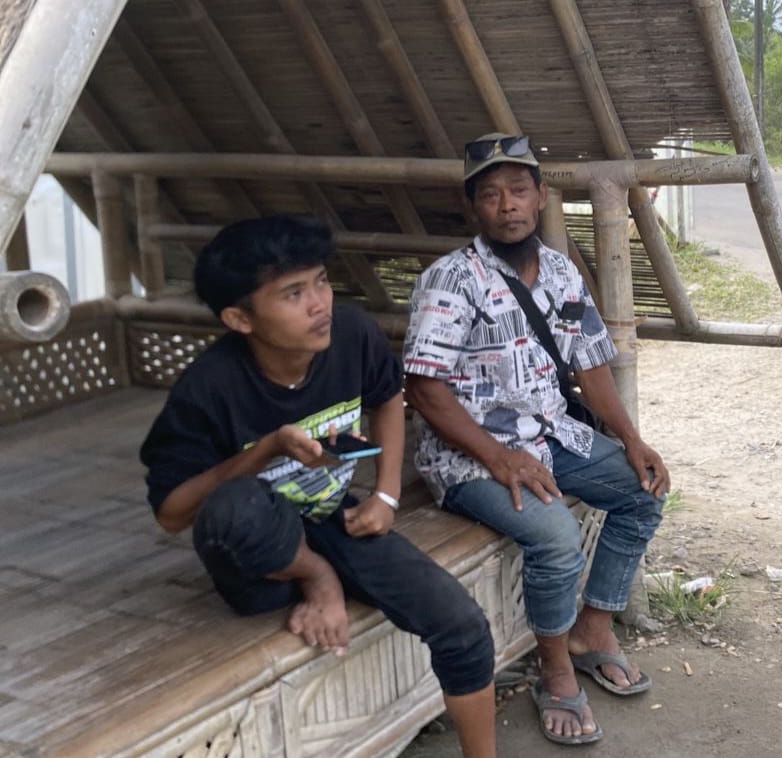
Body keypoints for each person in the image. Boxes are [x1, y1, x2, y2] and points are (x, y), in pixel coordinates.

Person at [139, 215, 497, 758]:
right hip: (258, 563)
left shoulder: (351, 334)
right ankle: (316, 576)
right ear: (239, 318)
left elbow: (387, 397)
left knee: (462, 624)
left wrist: (385, 496)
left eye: (322, 282)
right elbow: (171, 513)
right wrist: (267, 449)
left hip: (335, 517)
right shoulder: (208, 388)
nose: (319, 304)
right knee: (234, 504)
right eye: (294, 293)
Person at [403, 133, 668, 746]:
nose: (508, 206)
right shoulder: (451, 280)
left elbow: (591, 362)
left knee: (644, 490)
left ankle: (591, 630)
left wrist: (631, 438)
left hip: (551, 435)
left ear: (541, 196)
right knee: (555, 537)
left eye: (519, 190)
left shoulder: (559, 269)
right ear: (473, 206)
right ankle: (554, 672)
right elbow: (425, 390)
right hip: (469, 459)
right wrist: (499, 457)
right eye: (491, 195)